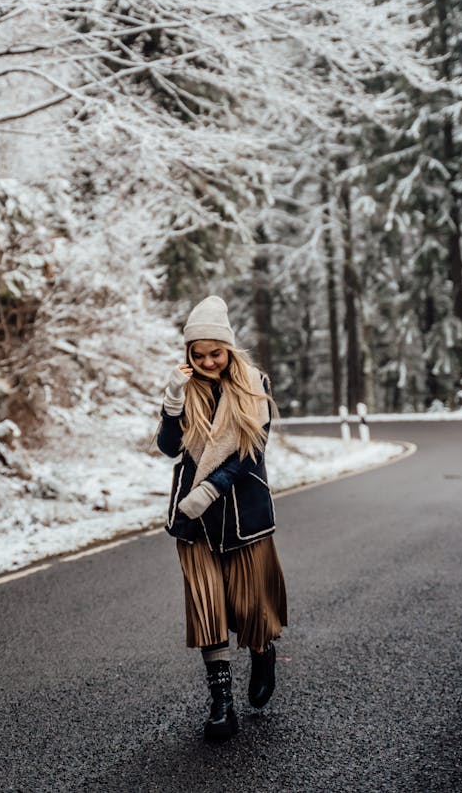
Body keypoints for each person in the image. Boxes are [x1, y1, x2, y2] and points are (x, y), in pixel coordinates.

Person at [157, 295, 288, 743]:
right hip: (193, 521)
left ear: (229, 350)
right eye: (199, 353)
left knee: (252, 609)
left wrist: (211, 488)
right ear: (189, 355)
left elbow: (253, 451)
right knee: (207, 607)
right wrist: (173, 402)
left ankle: (262, 650)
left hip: (243, 513)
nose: (208, 361)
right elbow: (169, 448)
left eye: (215, 352)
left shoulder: (254, 384)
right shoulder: (183, 387)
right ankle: (221, 704)